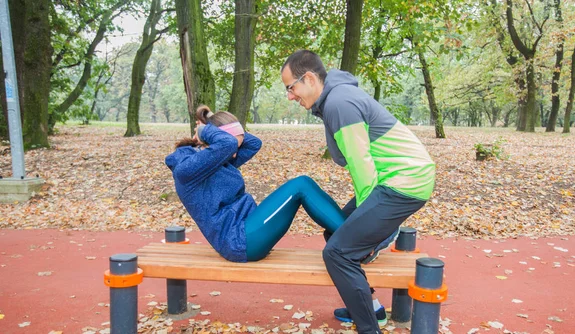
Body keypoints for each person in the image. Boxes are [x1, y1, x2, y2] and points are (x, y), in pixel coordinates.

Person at [281, 50, 436, 333]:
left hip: (404, 182)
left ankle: (369, 328)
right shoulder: (335, 99)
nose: (290, 96)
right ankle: (371, 309)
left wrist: (366, 222)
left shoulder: (339, 103)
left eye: (291, 87)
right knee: (335, 231)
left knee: (337, 253)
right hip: (394, 179)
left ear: (311, 79)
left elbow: (363, 168)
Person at [165, 106, 346, 262]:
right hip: (239, 241)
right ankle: (355, 241)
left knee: (303, 184)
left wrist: (215, 124)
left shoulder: (217, 160)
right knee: (301, 185)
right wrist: (205, 130)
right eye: (233, 147)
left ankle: (351, 239)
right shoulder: (187, 170)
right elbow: (228, 143)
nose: (235, 154)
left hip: (247, 229)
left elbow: (254, 144)